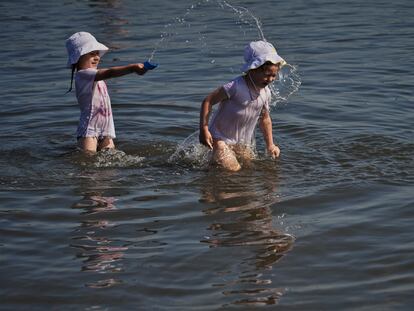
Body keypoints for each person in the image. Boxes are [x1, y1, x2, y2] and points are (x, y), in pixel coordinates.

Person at [199, 40, 286, 171]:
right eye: (267, 75)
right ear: (252, 69)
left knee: (249, 168)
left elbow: (265, 119)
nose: (270, 79)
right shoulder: (235, 86)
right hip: (219, 138)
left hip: (240, 143)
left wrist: (270, 145)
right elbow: (208, 101)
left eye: (274, 75)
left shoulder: (266, 92)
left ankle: (211, 174)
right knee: (234, 170)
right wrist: (204, 129)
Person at [65, 31, 157, 153]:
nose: (97, 57)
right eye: (92, 54)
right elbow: (110, 72)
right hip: (89, 129)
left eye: (97, 53)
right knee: (87, 165)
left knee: (110, 165)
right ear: (78, 57)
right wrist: (132, 68)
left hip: (106, 128)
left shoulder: (94, 75)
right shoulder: (83, 75)